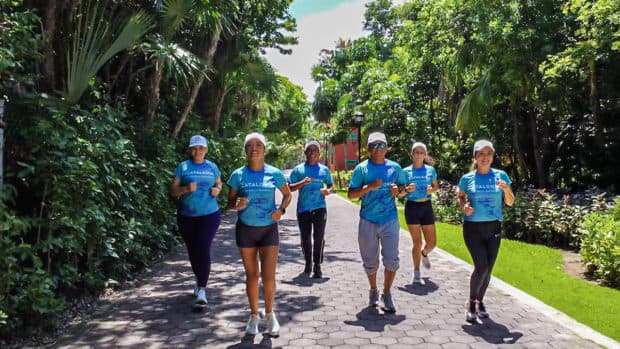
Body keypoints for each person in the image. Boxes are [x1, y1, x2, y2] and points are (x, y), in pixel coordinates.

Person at [226, 132, 292, 336]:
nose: (254, 148)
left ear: (264, 149)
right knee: (252, 276)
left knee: (269, 276)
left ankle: (271, 315)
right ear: (245, 150)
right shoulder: (238, 175)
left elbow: (288, 195)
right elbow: (229, 204)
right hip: (245, 229)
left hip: (268, 229)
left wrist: (280, 211)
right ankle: (254, 315)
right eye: (250, 145)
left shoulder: (274, 173)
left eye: (258, 145)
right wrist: (237, 204)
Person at [456, 139, 515, 323]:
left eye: (488, 153)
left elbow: (510, 202)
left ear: (492, 156)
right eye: (481, 153)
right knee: (481, 266)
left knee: (488, 269)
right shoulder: (467, 178)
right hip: (473, 227)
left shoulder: (501, 176)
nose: (485, 157)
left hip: (494, 227)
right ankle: (471, 303)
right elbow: (460, 196)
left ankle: (480, 302)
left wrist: (506, 189)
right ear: (475, 156)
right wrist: (464, 206)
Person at [348, 132, 406, 313]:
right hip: (368, 220)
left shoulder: (395, 168)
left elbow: (403, 189)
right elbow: (351, 194)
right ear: (368, 149)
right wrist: (369, 187)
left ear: (387, 148)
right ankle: (373, 290)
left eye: (382, 145)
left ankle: (387, 293)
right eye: (374, 145)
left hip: (389, 219)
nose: (378, 149)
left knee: (392, 259)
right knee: (370, 260)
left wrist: (399, 191)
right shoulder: (362, 169)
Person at [170, 135, 223, 309]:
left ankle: (202, 290)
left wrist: (217, 190)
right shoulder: (183, 167)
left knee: (202, 247)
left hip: (209, 214)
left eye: (201, 148)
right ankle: (199, 278)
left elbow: (219, 183)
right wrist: (185, 188)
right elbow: (173, 191)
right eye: (194, 148)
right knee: (193, 251)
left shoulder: (212, 167)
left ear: (206, 150)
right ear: (190, 150)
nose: (197, 151)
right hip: (186, 216)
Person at [289, 140, 334, 278]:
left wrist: (328, 190)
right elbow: (289, 187)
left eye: (315, 150)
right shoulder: (298, 170)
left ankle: (317, 265)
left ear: (319, 154)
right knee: (305, 238)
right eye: (310, 149)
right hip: (303, 209)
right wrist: (302, 182)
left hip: (320, 208)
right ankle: (308, 263)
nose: (312, 152)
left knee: (319, 237)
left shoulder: (324, 169)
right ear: (305, 152)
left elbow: (331, 185)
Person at [400, 142, 439, 286]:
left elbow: (435, 187)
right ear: (412, 154)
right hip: (412, 207)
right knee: (417, 242)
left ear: (425, 154)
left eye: (421, 152)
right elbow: (400, 192)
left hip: (426, 206)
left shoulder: (430, 170)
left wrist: (432, 190)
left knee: (432, 243)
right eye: (416, 152)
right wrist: (407, 190)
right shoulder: (405, 172)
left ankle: (424, 254)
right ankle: (416, 272)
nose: (419, 154)